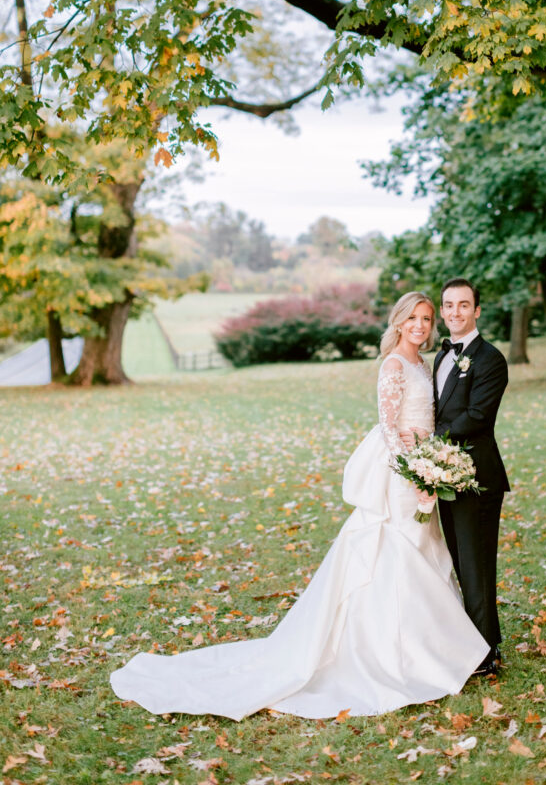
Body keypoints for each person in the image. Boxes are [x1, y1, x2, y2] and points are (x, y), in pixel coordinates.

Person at [110, 292, 489, 720]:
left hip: (424, 469)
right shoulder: (394, 366)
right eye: (412, 319)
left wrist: (432, 468)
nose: (420, 325)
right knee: (395, 556)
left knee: (423, 553)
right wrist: (415, 474)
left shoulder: (424, 363)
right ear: (398, 322)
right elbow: (387, 427)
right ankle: (388, 657)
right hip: (402, 475)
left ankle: (431, 651)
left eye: (426, 319)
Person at [432, 278, 510, 677]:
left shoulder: (491, 359)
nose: (456, 312)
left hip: (477, 477)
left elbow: (477, 417)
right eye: (449, 305)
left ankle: (487, 653)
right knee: (462, 564)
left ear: (477, 310)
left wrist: (430, 444)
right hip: (444, 476)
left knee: (478, 566)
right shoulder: (441, 357)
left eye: (464, 305)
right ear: (442, 311)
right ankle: (475, 644)